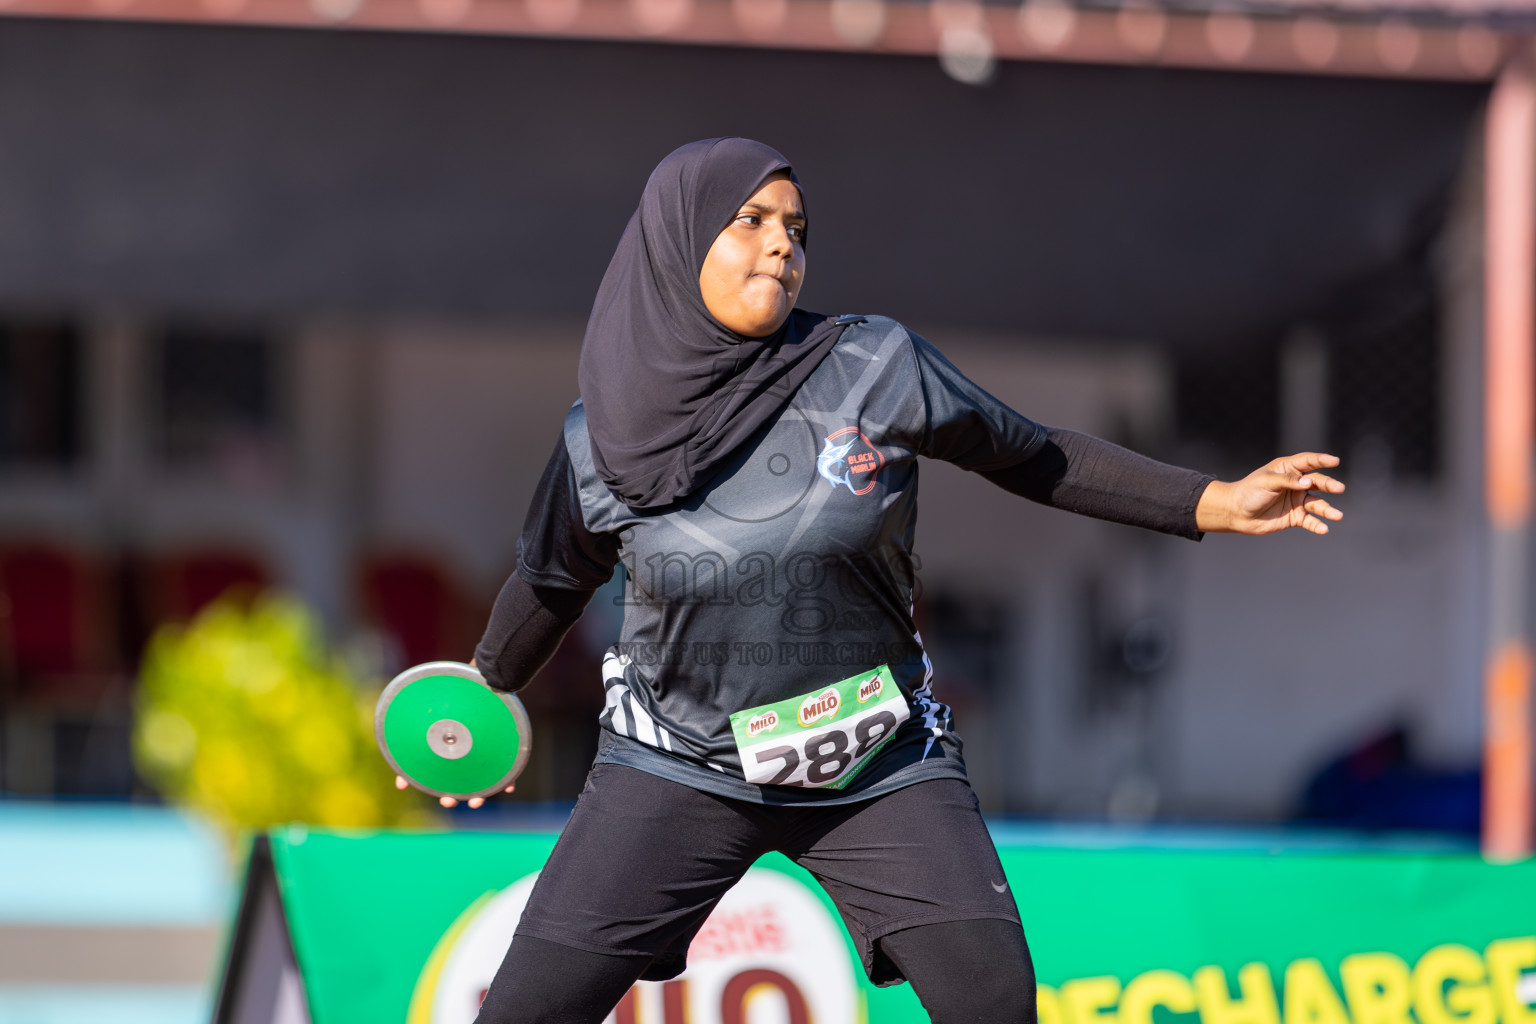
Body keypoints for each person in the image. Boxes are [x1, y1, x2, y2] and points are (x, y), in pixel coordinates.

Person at [442, 138, 1344, 1024]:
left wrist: (1213, 500)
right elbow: (552, 579)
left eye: (796, 227)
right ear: (677, 243)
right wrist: (473, 704)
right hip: (679, 766)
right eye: (749, 221)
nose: (781, 245)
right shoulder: (598, 436)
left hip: (874, 756)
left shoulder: (872, 367)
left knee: (994, 1001)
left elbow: (1034, 455)